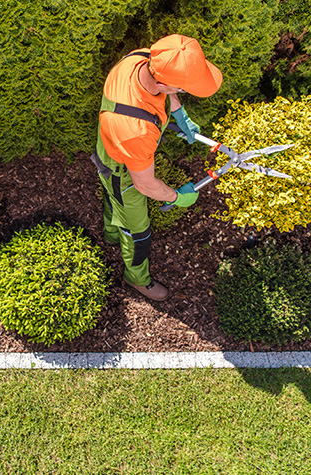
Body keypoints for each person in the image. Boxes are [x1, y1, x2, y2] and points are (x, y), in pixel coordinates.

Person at [90, 34, 222, 301]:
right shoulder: (136, 132)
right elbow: (145, 185)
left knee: (111, 199)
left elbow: (165, 87)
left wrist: (180, 114)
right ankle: (136, 278)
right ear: (164, 83)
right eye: (182, 89)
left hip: (110, 146)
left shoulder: (140, 58)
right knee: (138, 232)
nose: (181, 94)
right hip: (122, 171)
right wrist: (178, 196)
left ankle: (110, 233)